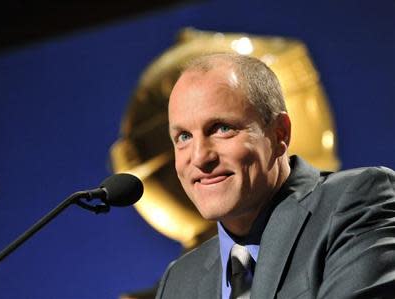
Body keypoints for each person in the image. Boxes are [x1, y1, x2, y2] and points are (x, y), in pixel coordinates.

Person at [155, 53, 395, 299]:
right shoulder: (178, 281)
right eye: (184, 136)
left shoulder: (357, 204)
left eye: (222, 129)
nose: (199, 158)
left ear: (280, 134)